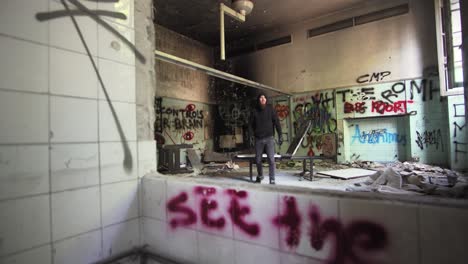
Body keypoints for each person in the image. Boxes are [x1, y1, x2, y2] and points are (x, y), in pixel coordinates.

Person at [249, 93, 283, 184]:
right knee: (258, 160)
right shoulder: (254, 111)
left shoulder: (270, 109)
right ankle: (260, 176)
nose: (263, 99)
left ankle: (272, 178)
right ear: (258, 100)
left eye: (264, 97)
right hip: (258, 139)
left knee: (271, 160)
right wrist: (251, 136)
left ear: (266, 99)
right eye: (261, 97)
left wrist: (280, 134)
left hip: (269, 138)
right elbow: (250, 125)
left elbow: (276, 122)